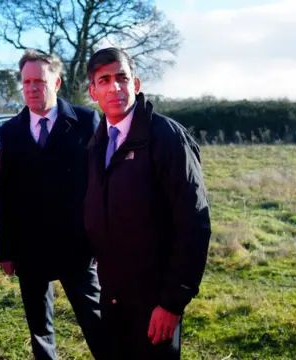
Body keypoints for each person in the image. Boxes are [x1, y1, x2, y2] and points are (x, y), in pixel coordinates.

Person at [83, 47, 212, 359]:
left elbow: (194, 223)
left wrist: (172, 302)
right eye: (105, 80)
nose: (115, 88)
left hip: (156, 300)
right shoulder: (98, 142)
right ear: (93, 91)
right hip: (112, 294)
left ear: (136, 84)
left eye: (122, 78)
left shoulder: (167, 138)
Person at [0, 49, 106, 359]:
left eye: (39, 81)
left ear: (56, 82)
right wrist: (6, 250)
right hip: (30, 249)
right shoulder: (11, 131)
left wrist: (100, 240)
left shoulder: (86, 121)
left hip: (77, 246)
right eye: (26, 81)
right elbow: (7, 192)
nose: (31, 88)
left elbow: (99, 185)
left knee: (95, 321)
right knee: (39, 327)